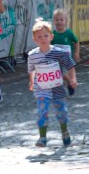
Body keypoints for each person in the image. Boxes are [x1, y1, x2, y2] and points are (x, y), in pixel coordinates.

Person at [28, 19, 76, 147]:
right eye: (39, 37)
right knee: (42, 112)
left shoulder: (59, 52)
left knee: (61, 112)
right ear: (34, 39)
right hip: (41, 88)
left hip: (57, 88)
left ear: (51, 37)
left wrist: (73, 79)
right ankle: (42, 137)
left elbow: (70, 65)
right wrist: (31, 81)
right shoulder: (32, 55)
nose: (43, 39)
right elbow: (31, 70)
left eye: (45, 35)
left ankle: (64, 131)